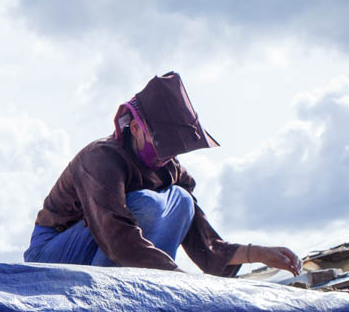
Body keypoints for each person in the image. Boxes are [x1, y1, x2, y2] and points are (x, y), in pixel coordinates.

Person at [24, 71, 301, 276]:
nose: (165, 156)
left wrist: (257, 254)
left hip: (118, 251)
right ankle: (113, 296)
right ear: (134, 129)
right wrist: (176, 280)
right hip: (52, 253)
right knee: (146, 204)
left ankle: (142, 288)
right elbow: (116, 236)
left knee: (181, 200)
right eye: (160, 145)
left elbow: (206, 243)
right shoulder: (100, 159)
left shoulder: (170, 170)